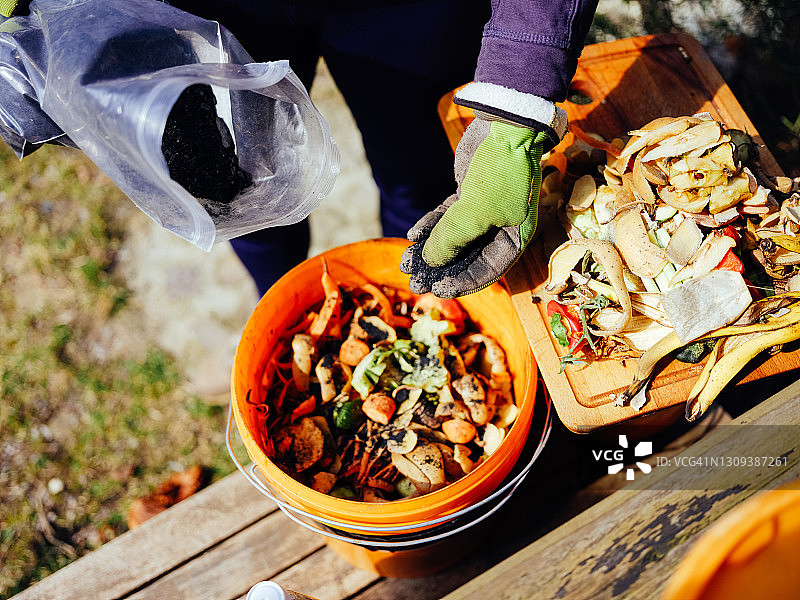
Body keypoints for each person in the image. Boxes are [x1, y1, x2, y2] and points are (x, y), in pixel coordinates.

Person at [0, 0, 600, 298]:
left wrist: (520, 88)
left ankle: (413, 308)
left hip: (409, 10)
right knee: (235, 194)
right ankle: (288, 310)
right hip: (201, 7)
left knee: (421, 178)